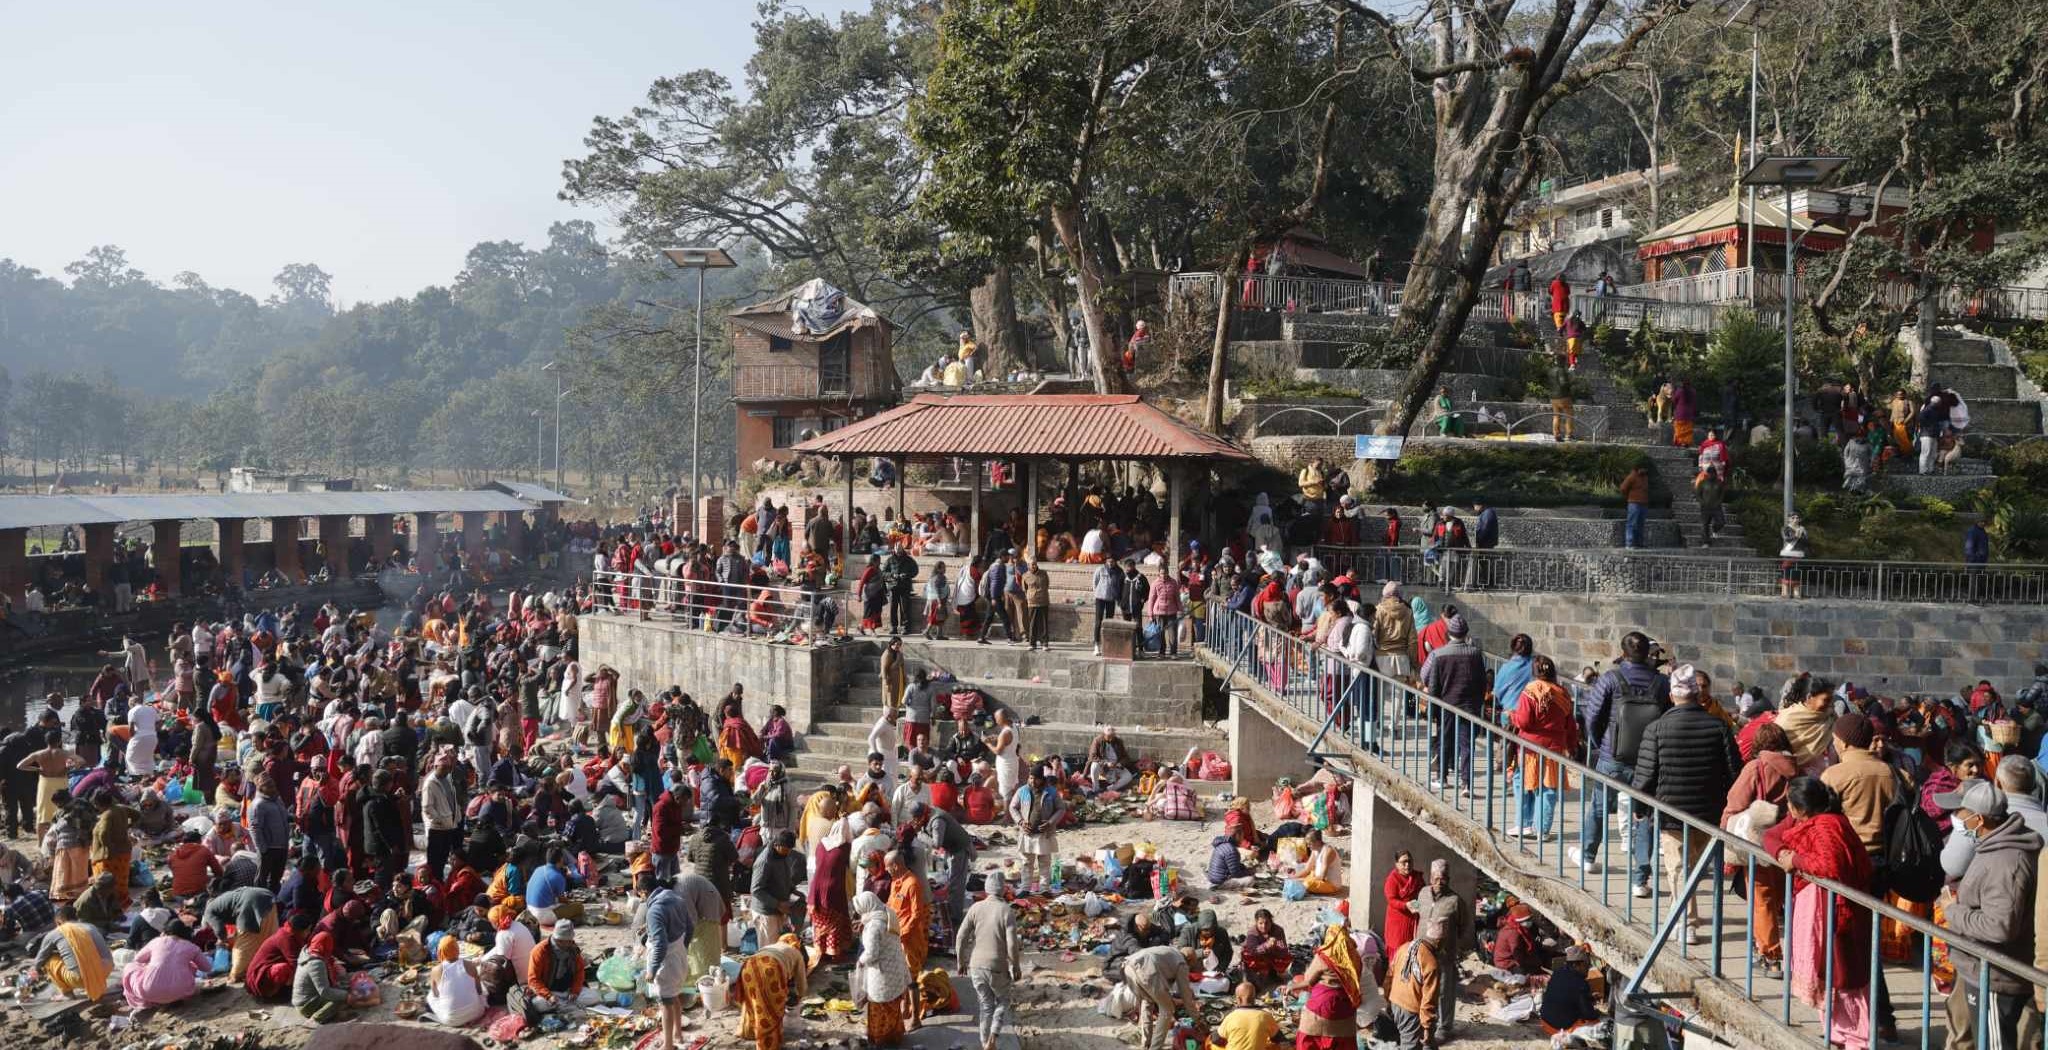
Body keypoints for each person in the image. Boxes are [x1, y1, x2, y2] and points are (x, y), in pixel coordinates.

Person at [1630, 663, 1741, 940]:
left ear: (1672, 696)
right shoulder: (1719, 726)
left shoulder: (1656, 728)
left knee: (1678, 867)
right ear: (1696, 695)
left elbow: (1645, 775)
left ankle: (1687, 922)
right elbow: (1734, 771)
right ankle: (1685, 917)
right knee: (1695, 865)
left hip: (1672, 811)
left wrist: (1639, 809)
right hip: (1709, 811)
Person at [1764, 777, 1875, 1050]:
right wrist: (1782, 852)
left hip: (1837, 913)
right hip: (1818, 909)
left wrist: (1796, 860)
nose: (1787, 810)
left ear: (1800, 808)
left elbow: (1830, 865)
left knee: (1844, 975)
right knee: (1828, 973)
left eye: (1790, 805)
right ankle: (1836, 1034)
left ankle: (1857, 1040)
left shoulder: (1828, 825)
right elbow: (1770, 836)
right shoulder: (1807, 820)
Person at [1936, 778, 2041, 1050]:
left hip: (1995, 977)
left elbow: (1999, 926)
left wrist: (1953, 911)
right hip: (1978, 968)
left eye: (1960, 813)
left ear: (1979, 819)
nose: (1955, 819)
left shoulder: (2006, 862)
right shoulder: (1993, 844)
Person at [1571, 631, 1669, 884]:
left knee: (1599, 808)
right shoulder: (1661, 683)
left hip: (1612, 755)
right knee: (1644, 816)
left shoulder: (1610, 679)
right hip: (1647, 759)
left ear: (1623, 653)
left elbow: (1592, 717)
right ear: (1648, 653)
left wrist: (1600, 743)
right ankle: (1640, 880)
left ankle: (1587, 857)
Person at [1724, 721, 1798, 974]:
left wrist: (1726, 830)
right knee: (1779, 895)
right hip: (1787, 839)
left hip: (1759, 840)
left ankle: (1769, 954)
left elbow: (1735, 801)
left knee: (1761, 897)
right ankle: (1788, 951)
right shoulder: (1796, 768)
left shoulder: (1756, 767)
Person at [1510, 656, 1578, 840]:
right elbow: (1570, 724)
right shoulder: (1562, 693)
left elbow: (1524, 721)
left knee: (1523, 785)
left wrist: (1512, 717)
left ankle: (1524, 824)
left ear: (1534, 672)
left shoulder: (1529, 691)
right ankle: (1542, 830)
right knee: (1548, 788)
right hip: (1554, 749)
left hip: (1529, 748)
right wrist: (1572, 746)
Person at [956, 870, 1021, 1050]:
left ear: (986, 890)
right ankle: (992, 1039)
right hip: (997, 966)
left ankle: (984, 1043)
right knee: (1003, 1001)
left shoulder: (975, 908)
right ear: (1003, 890)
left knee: (985, 1006)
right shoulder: (1006, 911)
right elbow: (1012, 944)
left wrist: (961, 961)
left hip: (976, 965)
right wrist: (1015, 965)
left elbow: (961, 937)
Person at [638, 871, 692, 1050]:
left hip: (665, 963)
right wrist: (682, 947)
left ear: (644, 891)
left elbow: (660, 943)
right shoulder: (677, 899)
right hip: (679, 957)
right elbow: (690, 927)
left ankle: (668, 1045)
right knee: (674, 996)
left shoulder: (654, 910)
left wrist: (651, 970)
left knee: (665, 1004)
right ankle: (678, 1034)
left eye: (640, 895)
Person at [852, 891, 914, 1046]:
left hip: (883, 974)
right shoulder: (888, 914)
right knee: (893, 1006)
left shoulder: (873, 926)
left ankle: (882, 1040)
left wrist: (860, 961)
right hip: (897, 968)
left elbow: (872, 953)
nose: (860, 915)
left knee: (880, 1008)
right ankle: (895, 1036)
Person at [1125, 943, 1204, 1050]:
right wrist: (1198, 1021)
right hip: (1146, 970)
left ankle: (1145, 1043)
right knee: (1167, 1010)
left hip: (1128, 966)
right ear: (1189, 959)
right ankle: (1155, 1047)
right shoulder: (1181, 962)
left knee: (1147, 1002)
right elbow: (1187, 997)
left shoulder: (1170, 952)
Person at [885, 851, 931, 1031]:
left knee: (911, 979)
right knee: (901, 975)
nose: (887, 871)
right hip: (896, 937)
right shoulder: (895, 883)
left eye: (888, 867)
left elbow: (916, 914)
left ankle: (915, 1019)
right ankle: (905, 1008)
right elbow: (890, 906)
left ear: (895, 865)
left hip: (909, 939)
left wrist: (902, 933)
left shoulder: (912, 883)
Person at [737, 933, 808, 1050]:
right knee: (770, 1010)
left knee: (752, 1001)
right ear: (796, 943)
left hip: (748, 967)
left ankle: (748, 1032)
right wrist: (801, 995)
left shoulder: (771, 945)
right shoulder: (796, 952)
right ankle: (766, 1045)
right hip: (770, 969)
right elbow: (801, 980)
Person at [32, 903, 113, 1001]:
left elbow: (40, 959)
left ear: (59, 920)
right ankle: (94, 986)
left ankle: (67, 994)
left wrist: (33, 971)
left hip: (79, 979)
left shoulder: (55, 933)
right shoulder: (91, 927)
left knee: (49, 960)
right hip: (104, 971)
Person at [1386, 917, 1445, 1050]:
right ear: (1439, 942)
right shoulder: (1431, 964)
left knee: (1428, 1045)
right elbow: (1428, 1001)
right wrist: (1428, 1028)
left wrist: (1388, 1000)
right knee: (1410, 1046)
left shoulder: (1404, 948)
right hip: (1410, 1011)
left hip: (1395, 1002)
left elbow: (1389, 976)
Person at [1009, 766, 1065, 892]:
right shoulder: (1022, 791)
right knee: (1026, 863)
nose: (1033, 781)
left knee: (1044, 863)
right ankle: (1025, 889)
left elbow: (1061, 808)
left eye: (1036, 779)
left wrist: (1050, 822)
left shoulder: (1051, 791)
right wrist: (1021, 821)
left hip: (1044, 834)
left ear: (1042, 779)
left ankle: (1044, 889)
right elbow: (1012, 807)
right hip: (1027, 833)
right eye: (1031, 778)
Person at [1539, 945, 1606, 1045]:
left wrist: (1589, 998)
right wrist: (1599, 1014)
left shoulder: (1558, 972)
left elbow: (1566, 995)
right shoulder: (1581, 983)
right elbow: (1588, 1014)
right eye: (1586, 965)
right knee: (1598, 1024)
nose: (1588, 968)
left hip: (1544, 1021)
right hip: (1558, 1028)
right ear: (1576, 965)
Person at [292, 930, 351, 1023]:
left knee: (340, 993)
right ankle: (317, 1018)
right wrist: (347, 995)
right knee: (338, 1000)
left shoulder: (309, 953)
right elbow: (324, 991)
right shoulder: (316, 963)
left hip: (307, 998)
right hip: (305, 1005)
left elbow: (330, 963)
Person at [1382, 850, 1423, 961]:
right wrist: (1405, 905)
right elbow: (1391, 900)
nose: (1407, 865)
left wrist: (1419, 905)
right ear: (1397, 864)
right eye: (1404, 862)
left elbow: (1423, 894)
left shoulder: (1417, 878)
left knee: (1410, 950)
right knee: (1397, 954)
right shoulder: (1393, 879)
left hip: (1413, 920)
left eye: (1409, 861)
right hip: (1398, 922)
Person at [1619, 465, 1651, 549]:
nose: (1645, 470)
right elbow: (1623, 488)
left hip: (1643, 504)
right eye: (1643, 468)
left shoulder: (1645, 477)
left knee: (1641, 524)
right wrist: (1630, 497)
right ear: (1638, 468)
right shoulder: (1632, 476)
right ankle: (1629, 544)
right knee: (1631, 523)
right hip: (1634, 504)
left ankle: (1639, 543)